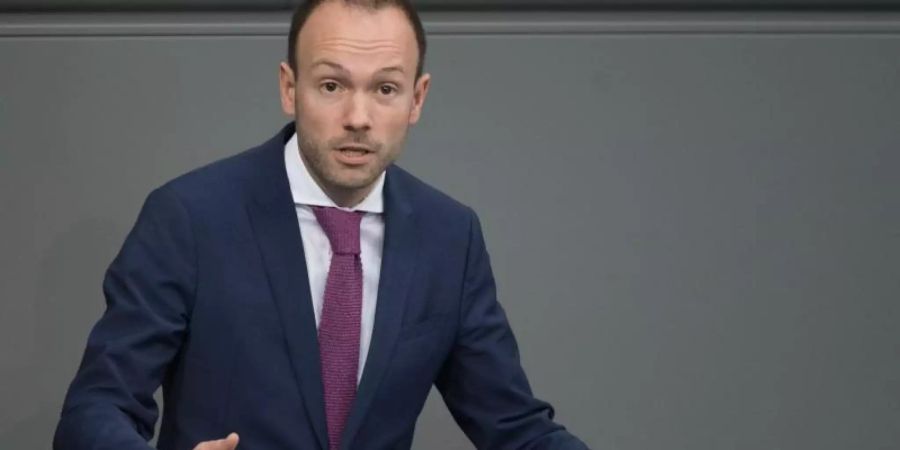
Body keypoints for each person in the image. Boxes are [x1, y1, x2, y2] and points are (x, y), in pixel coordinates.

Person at [54, 1, 589, 449]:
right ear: (290, 89)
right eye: (332, 86)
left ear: (417, 99)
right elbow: (96, 408)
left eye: (385, 89)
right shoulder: (189, 217)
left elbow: (516, 429)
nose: (358, 117)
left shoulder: (450, 236)